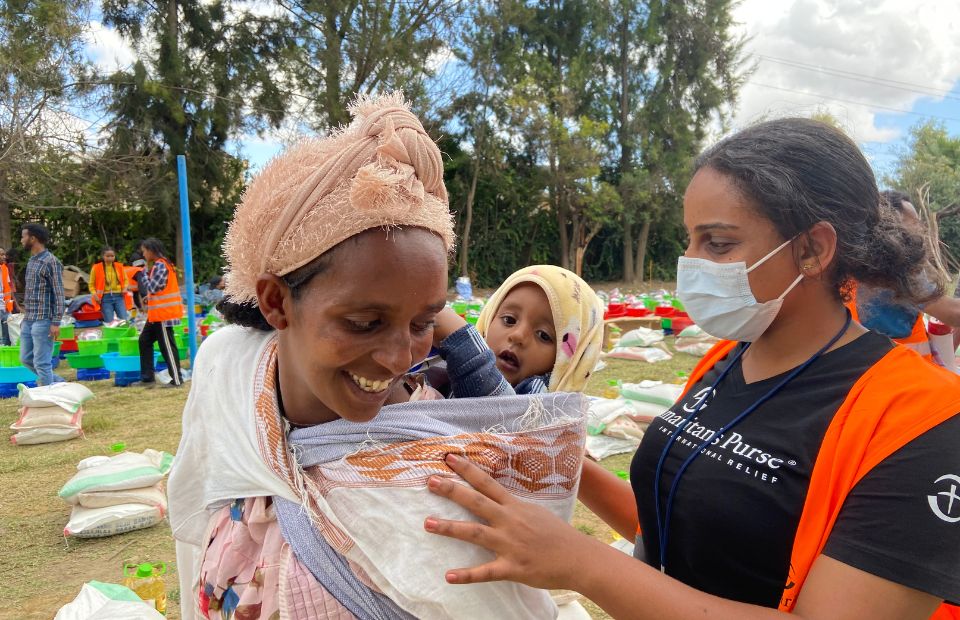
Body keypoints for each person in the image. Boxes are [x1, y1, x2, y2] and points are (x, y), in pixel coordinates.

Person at [422, 118, 960, 619]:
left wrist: (580, 563)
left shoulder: (925, 422)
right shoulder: (728, 360)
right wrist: (557, 459)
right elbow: (679, 520)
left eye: (718, 243)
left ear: (813, 250)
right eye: (690, 239)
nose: (691, 263)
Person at [168, 94, 586, 620]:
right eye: (365, 323)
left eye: (422, 324)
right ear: (276, 302)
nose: (397, 359)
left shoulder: (441, 461)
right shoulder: (232, 374)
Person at [431, 265, 604, 396]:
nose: (518, 335)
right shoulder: (448, 369)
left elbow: (505, 414)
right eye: (509, 320)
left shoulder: (546, 406)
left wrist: (463, 346)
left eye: (543, 335)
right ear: (488, 319)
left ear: (569, 362)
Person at [851, 189, 960, 363]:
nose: (922, 229)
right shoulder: (897, 268)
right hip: (897, 370)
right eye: (914, 223)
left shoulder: (857, 264)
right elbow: (952, 313)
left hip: (863, 366)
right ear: (891, 224)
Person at [19, 223, 64, 385]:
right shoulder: (32, 260)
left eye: (24, 236)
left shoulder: (51, 262)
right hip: (29, 319)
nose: (21, 240)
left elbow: (59, 295)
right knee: (25, 359)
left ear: (33, 238)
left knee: (42, 363)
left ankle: (51, 398)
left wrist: (56, 322)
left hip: (44, 321)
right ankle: (59, 384)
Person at [137, 238, 183, 387]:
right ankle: (147, 378)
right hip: (157, 315)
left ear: (151, 250)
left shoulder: (160, 265)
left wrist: (142, 274)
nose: (143, 254)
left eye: (144, 251)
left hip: (163, 315)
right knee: (144, 341)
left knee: (167, 346)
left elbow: (153, 287)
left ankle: (176, 380)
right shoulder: (162, 264)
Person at [90, 246, 129, 323]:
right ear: (103, 256)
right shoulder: (96, 268)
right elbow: (91, 285)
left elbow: (125, 280)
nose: (110, 258)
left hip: (119, 296)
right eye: (108, 256)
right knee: (109, 322)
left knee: (124, 320)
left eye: (112, 256)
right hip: (105, 298)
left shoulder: (119, 266)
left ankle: (124, 334)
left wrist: (125, 288)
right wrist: (95, 296)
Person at [0, 248, 20, 345]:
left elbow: (8, 287)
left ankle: (6, 351)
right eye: (1, 255)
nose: (4, 257)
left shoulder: (5, 268)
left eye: (4, 254)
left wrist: (13, 305)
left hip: (5, 307)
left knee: (6, 336)